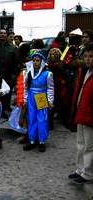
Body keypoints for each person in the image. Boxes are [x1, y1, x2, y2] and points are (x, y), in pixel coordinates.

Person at [68, 42, 93, 184]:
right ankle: (80, 169)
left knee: (89, 146)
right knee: (80, 144)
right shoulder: (85, 71)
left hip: (90, 116)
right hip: (82, 113)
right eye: (86, 56)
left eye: (91, 56)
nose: (88, 59)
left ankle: (88, 173)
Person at [23, 50, 54, 152]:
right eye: (34, 60)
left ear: (42, 62)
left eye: (38, 60)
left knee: (42, 119)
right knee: (31, 119)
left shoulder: (48, 74)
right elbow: (26, 87)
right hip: (31, 98)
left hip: (41, 97)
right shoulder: (29, 74)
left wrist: (50, 100)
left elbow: (50, 88)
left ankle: (41, 141)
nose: (35, 62)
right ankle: (32, 140)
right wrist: (25, 99)